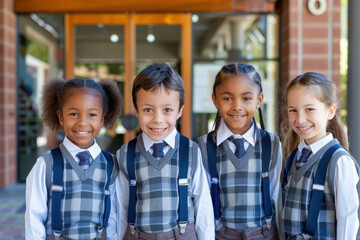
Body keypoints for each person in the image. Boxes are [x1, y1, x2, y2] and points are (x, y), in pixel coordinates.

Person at [107, 63, 215, 240]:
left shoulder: (191, 151)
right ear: (136, 109)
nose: (158, 119)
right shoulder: (125, 154)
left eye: (167, 110)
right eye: (148, 110)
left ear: (179, 110)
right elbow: (120, 210)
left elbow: (203, 207)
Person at [25, 77, 122, 240]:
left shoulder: (111, 165)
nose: (82, 122)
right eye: (73, 114)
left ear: (102, 119)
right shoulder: (46, 165)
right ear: (61, 117)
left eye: (92, 114)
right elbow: (33, 220)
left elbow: (114, 219)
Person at [198, 63, 282, 239]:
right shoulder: (204, 145)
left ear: (259, 101)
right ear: (215, 100)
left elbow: (276, 198)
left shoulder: (271, 143)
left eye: (246, 98)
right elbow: (202, 204)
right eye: (228, 98)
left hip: (263, 235)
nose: (237, 106)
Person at [281, 72, 360, 239]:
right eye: (293, 110)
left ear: (330, 111)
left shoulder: (339, 162)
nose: (300, 119)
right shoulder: (292, 158)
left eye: (309, 109)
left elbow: (348, 221)